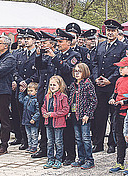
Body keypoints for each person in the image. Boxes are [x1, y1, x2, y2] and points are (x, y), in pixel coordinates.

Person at [92, 19, 128, 154]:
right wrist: (96, 77)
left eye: (113, 31)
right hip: (100, 85)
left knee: (114, 117)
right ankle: (98, 143)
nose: (110, 33)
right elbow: (94, 63)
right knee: (99, 116)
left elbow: (122, 66)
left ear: (117, 32)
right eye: (108, 30)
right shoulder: (100, 46)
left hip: (113, 86)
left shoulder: (122, 47)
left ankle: (112, 144)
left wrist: (109, 80)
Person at [51, 28, 80, 165]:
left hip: (68, 93)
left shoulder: (75, 55)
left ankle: (70, 154)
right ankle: (60, 154)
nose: (58, 44)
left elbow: (67, 69)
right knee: (57, 125)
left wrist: (55, 58)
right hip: (56, 93)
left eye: (61, 41)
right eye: (57, 41)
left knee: (68, 126)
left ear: (68, 42)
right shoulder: (56, 54)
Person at [11, 28, 39, 150]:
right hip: (21, 89)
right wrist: (19, 81)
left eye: (28, 39)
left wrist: (27, 82)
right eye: (24, 39)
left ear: (34, 40)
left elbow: (38, 72)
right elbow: (15, 70)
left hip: (32, 89)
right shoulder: (20, 54)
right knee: (21, 114)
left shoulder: (37, 55)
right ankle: (24, 139)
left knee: (32, 114)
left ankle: (33, 141)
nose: (26, 41)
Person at [32, 30, 58, 159]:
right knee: (43, 123)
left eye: (45, 42)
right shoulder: (43, 55)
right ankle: (43, 148)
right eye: (41, 42)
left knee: (54, 124)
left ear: (52, 44)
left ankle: (56, 150)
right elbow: (39, 68)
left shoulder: (56, 55)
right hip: (43, 92)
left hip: (54, 92)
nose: (42, 44)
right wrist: (37, 55)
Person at [68, 63, 97, 170]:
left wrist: (87, 114)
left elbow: (93, 101)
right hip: (75, 116)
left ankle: (89, 160)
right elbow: (70, 99)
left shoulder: (88, 84)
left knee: (86, 138)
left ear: (84, 72)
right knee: (78, 138)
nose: (77, 73)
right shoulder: (73, 85)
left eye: (79, 71)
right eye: (75, 71)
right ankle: (81, 158)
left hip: (84, 116)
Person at [42, 75, 69, 169]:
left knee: (58, 142)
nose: (52, 87)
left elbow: (65, 110)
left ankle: (58, 160)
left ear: (59, 85)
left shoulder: (63, 96)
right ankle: (50, 159)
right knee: (50, 142)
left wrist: (53, 114)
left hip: (58, 123)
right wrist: (44, 113)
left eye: (54, 85)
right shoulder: (47, 96)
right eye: (51, 85)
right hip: (48, 123)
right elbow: (43, 107)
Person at [18, 82, 40, 154]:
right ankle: (30, 145)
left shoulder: (36, 100)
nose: (29, 92)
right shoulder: (26, 98)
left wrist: (34, 118)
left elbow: (38, 111)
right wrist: (21, 93)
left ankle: (34, 146)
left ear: (36, 91)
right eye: (28, 91)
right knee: (28, 134)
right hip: (26, 120)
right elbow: (20, 100)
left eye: (31, 91)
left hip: (33, 121)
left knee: (34, 134)